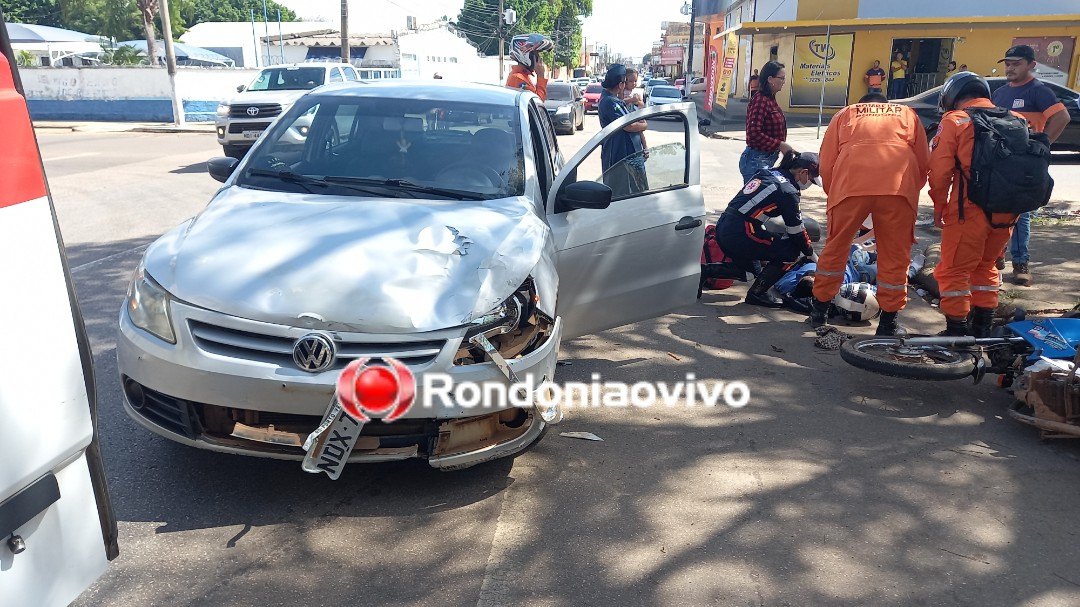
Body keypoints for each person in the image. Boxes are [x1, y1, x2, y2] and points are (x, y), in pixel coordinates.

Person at [808, 91, 929, 336]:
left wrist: (834, 194)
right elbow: (923, 161)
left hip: (850, 185)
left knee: (836, 247)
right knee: (895, 254)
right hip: (898, 187)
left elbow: (827, 161)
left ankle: (819, 311)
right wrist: (908, 192)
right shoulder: (908, 115)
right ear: (886, 106)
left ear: (862, 105)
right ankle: (888, 323)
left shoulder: (846, 113)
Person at [929, 72, 1024, 336]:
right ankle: (982, 328)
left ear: (952, 96)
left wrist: (939, 206)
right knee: (986, 266)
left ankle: (956, 332)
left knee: (954, 271)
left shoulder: (956, 120)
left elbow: (939, 172)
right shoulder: (1016, 119)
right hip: (1007, 211)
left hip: (969, 209)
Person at [990, 44, 1070, 287]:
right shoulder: (1001, 93)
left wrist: (1043, 144)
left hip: (1027, 164)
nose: (1011, 68)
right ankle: (997, 256)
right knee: (997, 209)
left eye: (1017, 63)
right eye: (1008, 63)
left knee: (1022, 214)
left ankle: (1021, 263)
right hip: (1003, 163)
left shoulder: (1038, 91)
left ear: (1031, 65)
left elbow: (1062, 116)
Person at [715, 151, 820, 308]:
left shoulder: (769, 172)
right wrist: (813, 255)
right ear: (803, 173)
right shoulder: (788, 191)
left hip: (725, 225)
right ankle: (757, 294)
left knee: (751, 272)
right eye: (812, 180)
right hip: (741, 232)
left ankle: (706, 271)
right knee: (790, 252)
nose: (810, 184)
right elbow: (796, 231)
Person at [597, 64, 648, 196]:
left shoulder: (612, 100)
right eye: (625, 82)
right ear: (620, 85)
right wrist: (644, 125)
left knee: (636, 192)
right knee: (623, 194)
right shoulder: (611, 102)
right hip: (621, 156)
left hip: (627, 154)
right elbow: (629, 126)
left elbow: (623, 107)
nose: (626, 85)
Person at [739, 61, 793, 182]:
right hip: (756, 161)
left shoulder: (770, 99)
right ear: (770, 79)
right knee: (756, 199)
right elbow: (753, 134)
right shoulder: (760, 100)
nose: (784, 82)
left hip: (766, 160)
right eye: (781, 78)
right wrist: (780, 145)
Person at [505, 33, 551, 101]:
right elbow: (538, 101)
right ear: (525, 55)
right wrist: (541, 76)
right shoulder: (518, 78)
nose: (539, 59)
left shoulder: (523, 76)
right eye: (536, 54)